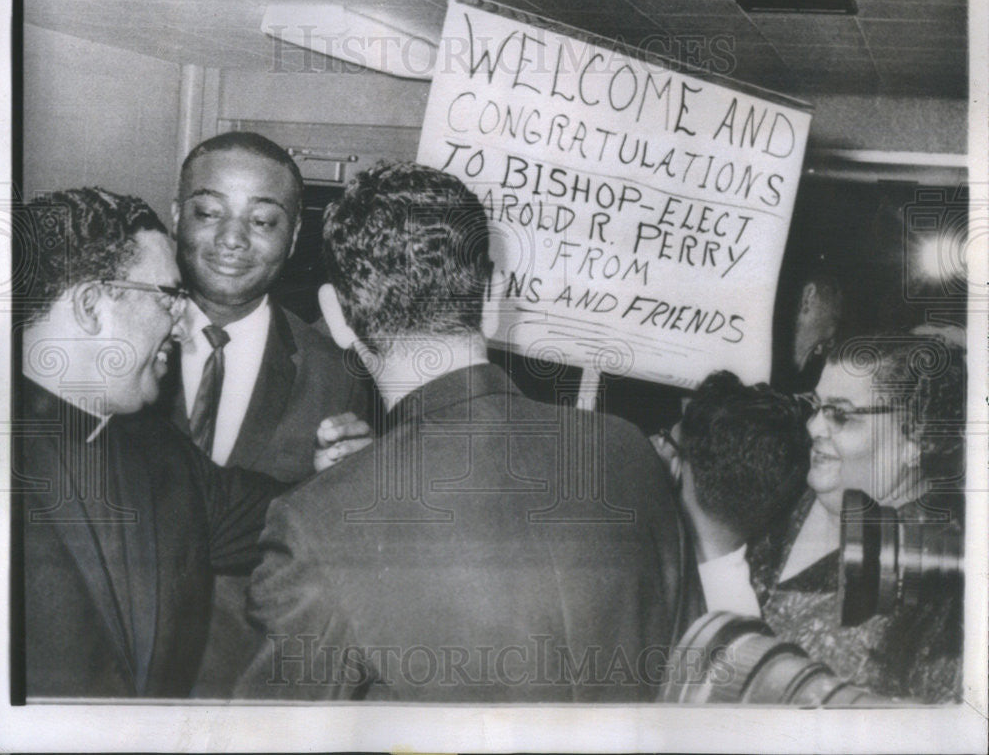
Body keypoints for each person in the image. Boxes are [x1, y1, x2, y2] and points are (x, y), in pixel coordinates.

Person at [235, 160, 703, 701]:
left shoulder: (315, 524)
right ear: (492, 297)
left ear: (336, 318)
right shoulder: (626, 449)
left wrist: (346, 492)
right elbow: (693, 680)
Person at [14, 188, 286, 698]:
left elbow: (290, 515)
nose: (184, 326)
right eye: (170, 297)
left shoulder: (158, 449)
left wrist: (349, 468)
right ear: (92, 306)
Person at [165, 131, 373, 695]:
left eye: (262, 221)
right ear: (176, 214)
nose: (232, 238)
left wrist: (347, 491)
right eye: (209, 211)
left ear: (294, 234)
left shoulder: (340, 378)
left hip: (248, 690)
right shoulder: (110, 353)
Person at [747, 333, 965, 702]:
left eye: (840, 414)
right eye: (816, 406)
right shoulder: (785, 492)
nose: (813, 427)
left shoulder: (943, 581)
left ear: (916, 438)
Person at [662, 371, 809, 617]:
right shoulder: (739, 619)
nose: (658, 445)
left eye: (667, 439)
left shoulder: (638, 566)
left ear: (677, 467)